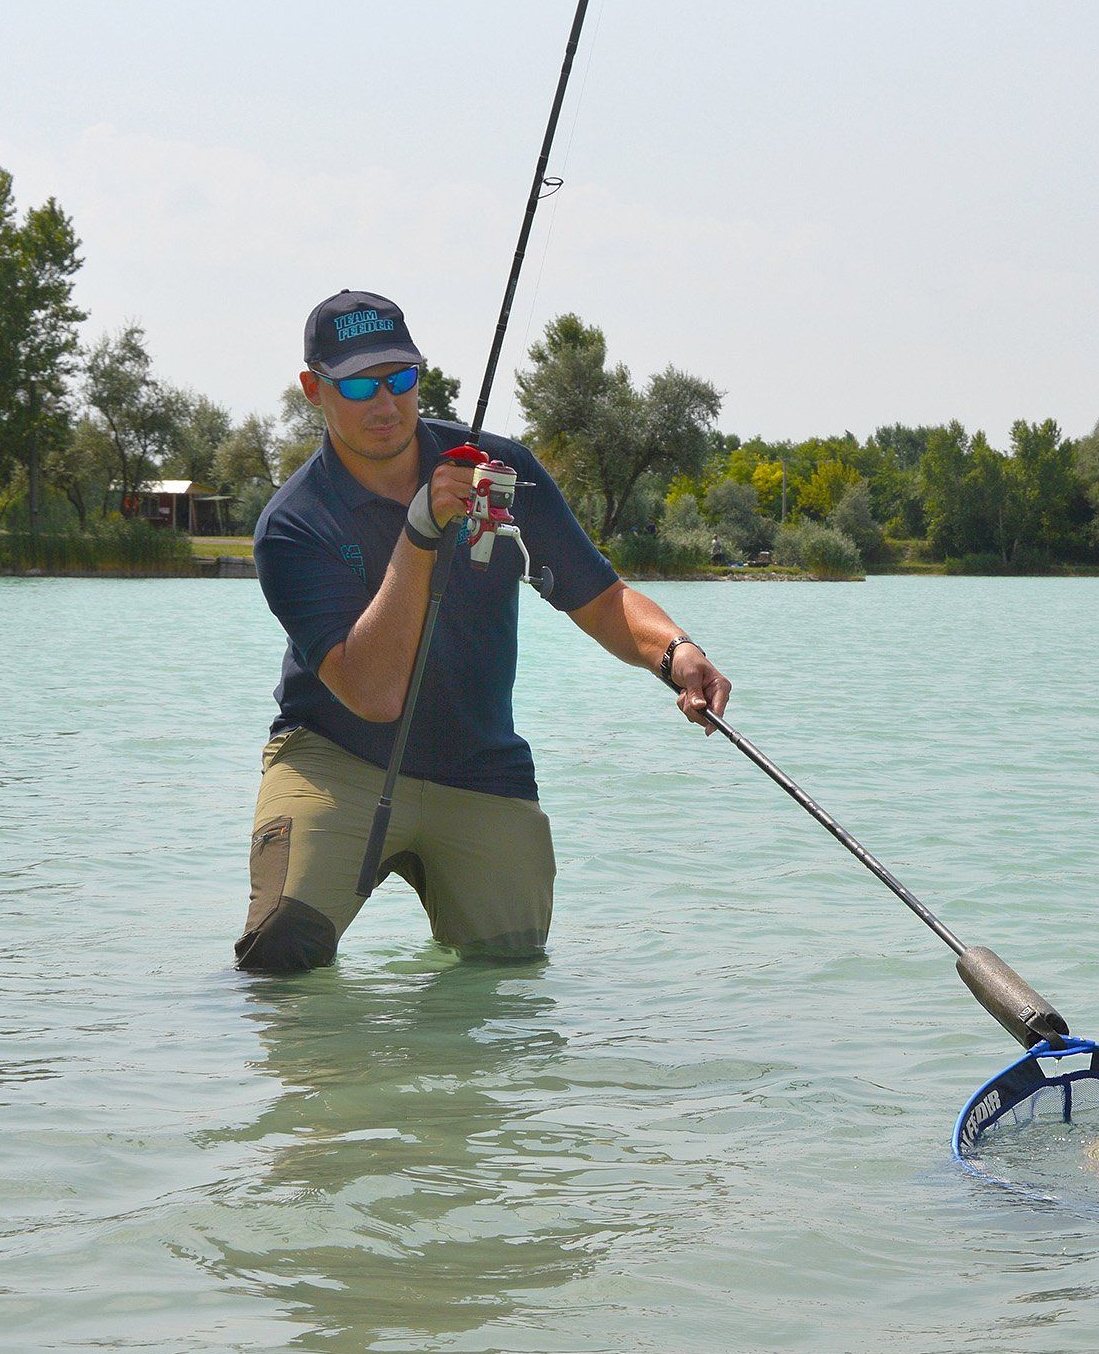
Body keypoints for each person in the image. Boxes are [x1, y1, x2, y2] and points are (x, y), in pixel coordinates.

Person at [236, 290, 730, 972]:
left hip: (480, 766)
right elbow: (374, 693)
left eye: (400, 378)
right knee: (277, 958)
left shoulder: (502, 473)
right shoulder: (292, 523)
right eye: (356, 384)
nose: (385, 404)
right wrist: (422, 528)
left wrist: (676, 652)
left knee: (511, 981)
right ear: (312, 390)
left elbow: (601, 598)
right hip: (335, 757)